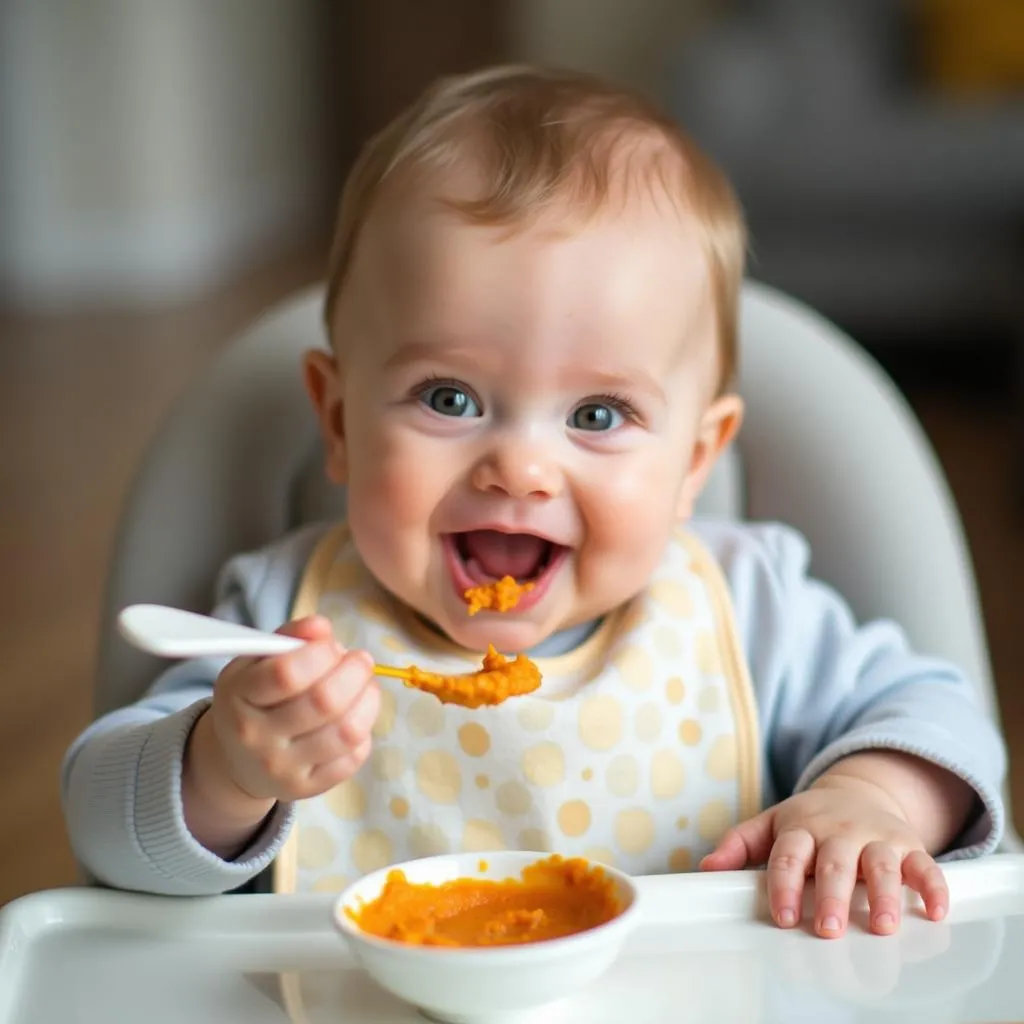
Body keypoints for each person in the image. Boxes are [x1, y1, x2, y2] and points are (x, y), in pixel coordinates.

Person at [61, 64, 1005, 940]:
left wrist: (873, 799)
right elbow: (104, 835)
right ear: (339, 422)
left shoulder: (750, 612)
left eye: (598, 413)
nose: (518, 468)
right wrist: (226, 768)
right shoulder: (285, 624)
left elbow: (942, 715)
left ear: (694, 462)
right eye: (449, 398)